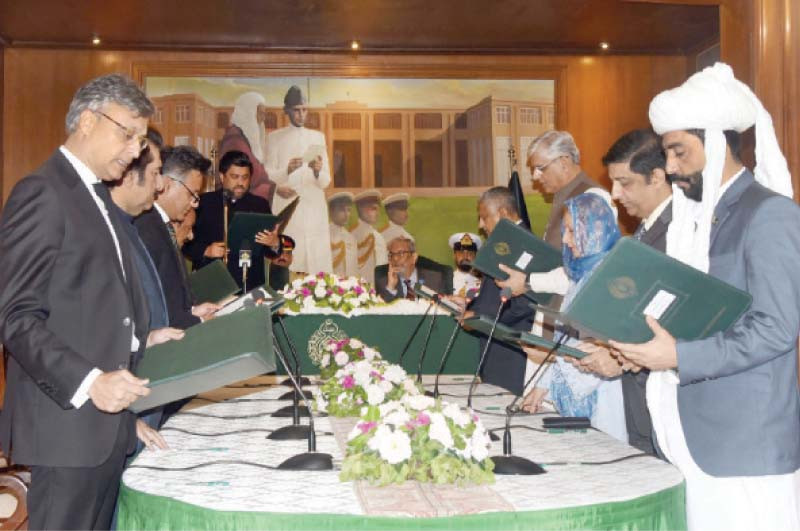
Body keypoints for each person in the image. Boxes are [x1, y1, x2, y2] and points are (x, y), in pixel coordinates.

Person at [611, 63, 800, 530]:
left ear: (715, 144)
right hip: (687, 436)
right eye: (667, 154)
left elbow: (777, 329)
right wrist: (646, 348)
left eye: (679, 152)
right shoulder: (695, 221)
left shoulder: (769, 215)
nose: (671, 168)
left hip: (742, 447)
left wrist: (677, 355)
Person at [0, 74, 181, 530]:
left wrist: (144, 337)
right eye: (128, 134)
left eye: (141, 140)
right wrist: (90, 382)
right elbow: (15, 316)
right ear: (86, 120)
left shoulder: (98, 198)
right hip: (64, 432)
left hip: (105, 430)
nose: (135, 149)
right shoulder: (43, 192)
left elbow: (97, 308)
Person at [525, 192, 627, 443]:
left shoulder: (610, 277)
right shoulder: (580, 274)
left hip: (597, 395)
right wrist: (542, 385)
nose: (566, 240)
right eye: (565, 232)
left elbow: (594, 346)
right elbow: (565, 340)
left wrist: (556, 365)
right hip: (572, 390)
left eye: (572, 231)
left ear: (594, 230)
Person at [602, 128, 672, 455]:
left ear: (656, 177)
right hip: (641, 398)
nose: (615, 193)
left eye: (624, 182)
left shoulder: (682, 230)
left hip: (666, 400)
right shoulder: (644, 230)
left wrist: (624, 356)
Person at [108, 128, 172, 450]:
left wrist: (151, 337)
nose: (161, 185)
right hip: (113, 413)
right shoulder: (106, 230)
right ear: (128, 176)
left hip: (140, 399)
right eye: (156, 172)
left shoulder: (129, 225)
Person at [135, 145, 218, 329]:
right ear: (168, 184)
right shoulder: (146, 227)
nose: (194, 204)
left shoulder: (159, 225)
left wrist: (192, 312)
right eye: (192, 194)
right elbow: (154, 308)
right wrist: (199, 321)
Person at [464, 187, 534, 396]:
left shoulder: (525, 245)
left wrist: (479, 318)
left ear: (503, 214)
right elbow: (492, 295)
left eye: (484, 217)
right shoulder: (505, 243)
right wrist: (470, 307)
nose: (480, 225)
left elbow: (524, 305)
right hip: (494, 348)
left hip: (511, 352)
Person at [183, 150, 279, 291]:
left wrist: (274, 243)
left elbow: (270, 250)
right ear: (222, 177)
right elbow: (184, 243)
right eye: (235, 177)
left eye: (245, 177)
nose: (240, 183)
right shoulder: (203, 203)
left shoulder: (260, 204)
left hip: (250, 285)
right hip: (212, 283)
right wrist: (206, 250)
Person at [265, 85, 333, 275]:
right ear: (287, 110)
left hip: (314, 207)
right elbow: (267, 174)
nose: (301, 115)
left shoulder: (318, 137)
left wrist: (318, 171)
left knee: (316, 259)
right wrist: (286, 171)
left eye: (304, 110)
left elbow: (326, 181)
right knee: (290, 258)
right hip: (288, 206)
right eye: (296, 110)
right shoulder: (274, 138)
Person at [218, 91, 275, 203]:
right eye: (260, 113)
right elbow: (252, 174)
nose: (263, 119)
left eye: (264, 114)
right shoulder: (235, 139)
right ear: (249, 113)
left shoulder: (244, 136)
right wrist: (275, 187)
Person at [374, 237, 453, 302]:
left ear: (414, 257)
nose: (395, 258)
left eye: (401, 253)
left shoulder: (434, 279)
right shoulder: (384, 281)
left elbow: (444, 309)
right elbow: (382, 313)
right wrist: (391, 287)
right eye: (391, 255)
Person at [350, 189, 389, 284]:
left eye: (377, 209)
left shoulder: (379, 237)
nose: (377, 213)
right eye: (373, 208)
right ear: (361, 209)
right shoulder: (352, 236)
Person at [328, 191, 358, 278]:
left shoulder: (351, 238)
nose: (346, 214)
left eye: (348, 210)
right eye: (341, 210)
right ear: (331, 211)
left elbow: (353, 269)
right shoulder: (323, 236)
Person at [448, 232, 482, 297]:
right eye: (461, 253)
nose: (465, 257)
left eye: (470, 253)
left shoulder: (484, 284)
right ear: (455, 255)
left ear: (475, 256)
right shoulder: (447, 280)